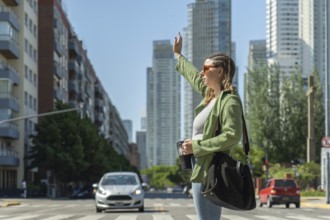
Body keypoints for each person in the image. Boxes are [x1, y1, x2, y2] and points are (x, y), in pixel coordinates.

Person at [173, 32, 243, 220]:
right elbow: (193, 77)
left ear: (220, 71)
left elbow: (232, 135)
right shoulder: (211, 96)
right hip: (201, 167)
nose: (202, 72)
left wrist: (196, 146)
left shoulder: (229, 100)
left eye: (206, 68)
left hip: (211, 170)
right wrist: (179, 55)